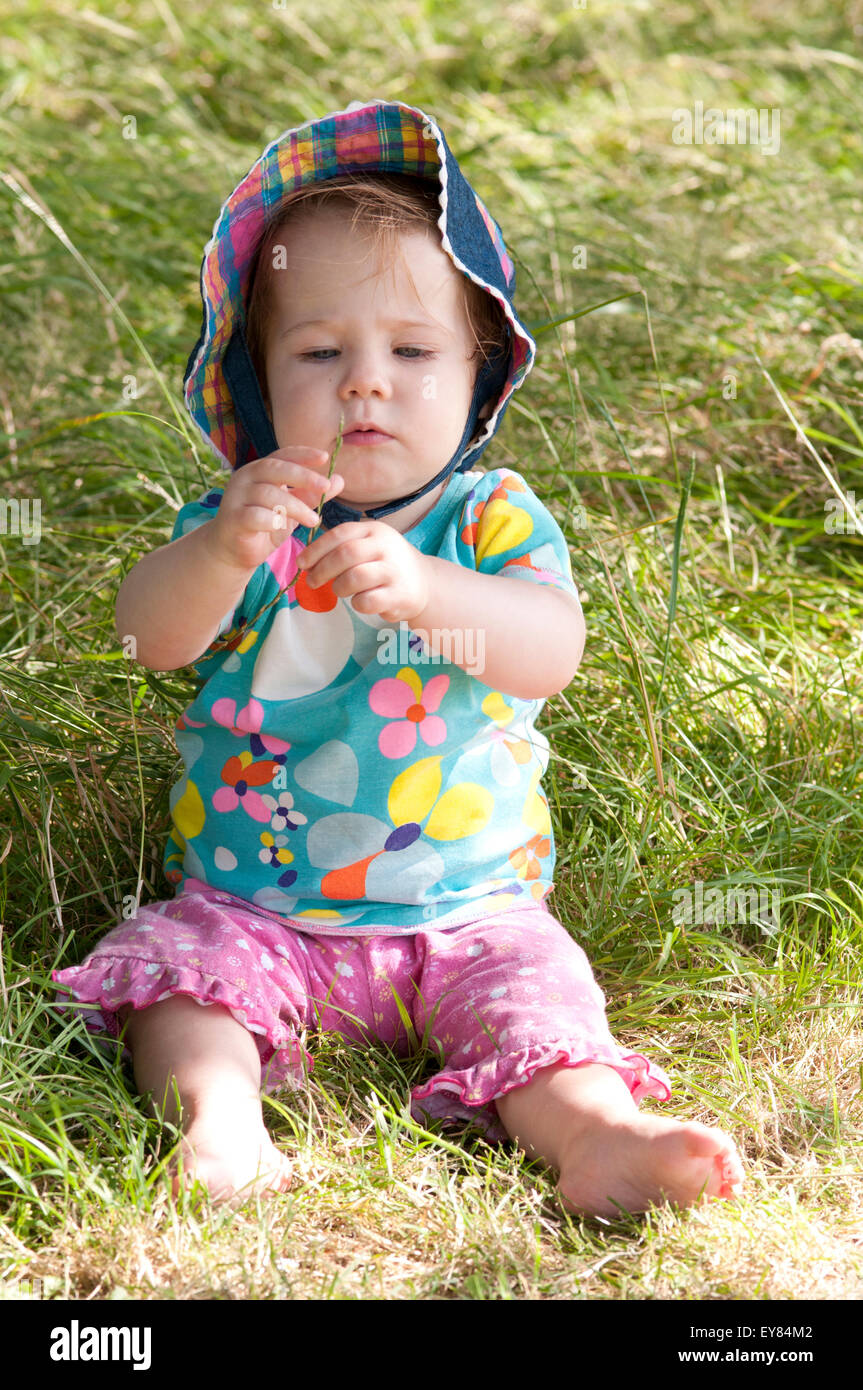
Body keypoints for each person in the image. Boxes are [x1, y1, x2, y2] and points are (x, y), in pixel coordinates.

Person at [53, 100, 744, 1215]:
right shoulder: (245, 522)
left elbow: (545, 653)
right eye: (320, 351)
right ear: (259, 379)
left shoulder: (487, 520)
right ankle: (219, 1131)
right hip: (257, 908)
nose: (364, 381)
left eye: (412, 351)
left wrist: (429, 592)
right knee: (182, 988)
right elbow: (146, 636)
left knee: (543, 1006)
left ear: (478, 375)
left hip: (471, 913)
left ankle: (598, 1137)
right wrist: (224, 550)